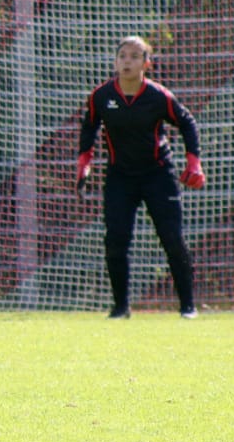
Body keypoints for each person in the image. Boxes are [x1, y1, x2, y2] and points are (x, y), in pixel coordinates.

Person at [75, 35, 205, 319]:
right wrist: (84, 163)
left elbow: (187, 123)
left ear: (147, 63)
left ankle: (188, 306)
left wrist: (194, 163)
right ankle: (120, 308)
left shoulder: (159, 96)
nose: (127, 61)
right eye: (122, 55)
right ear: (115, 61)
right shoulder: (101, 96)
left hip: (158, 174)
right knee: (116, 239)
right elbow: (89, 126)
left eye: (135, 56)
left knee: (172, 238)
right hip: (120, 177)